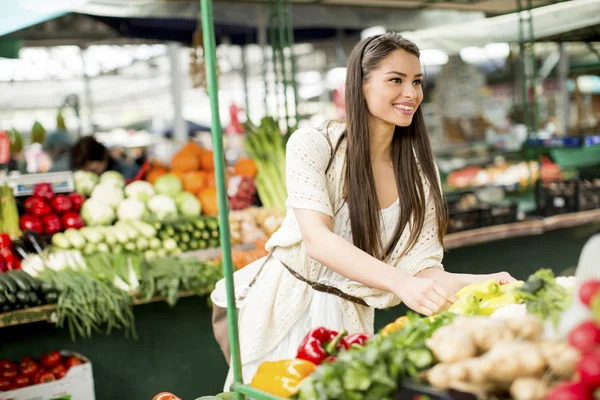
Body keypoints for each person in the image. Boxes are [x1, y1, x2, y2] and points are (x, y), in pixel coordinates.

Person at [216, 33, 516, 388]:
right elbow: (318, 241)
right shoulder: (313, 144)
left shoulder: (420, 172)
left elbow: (421, 271)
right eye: (396, 80)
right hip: (286, 312)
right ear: (360, 85)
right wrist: (401, 283)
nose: (411, 93)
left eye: (417, 82)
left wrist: (485, 282)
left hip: (350, 324)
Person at [70, 136, 139, 180]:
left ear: (104, 158)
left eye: (94, 170)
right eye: (85, 171)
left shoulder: (130, 173)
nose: (90, 175)